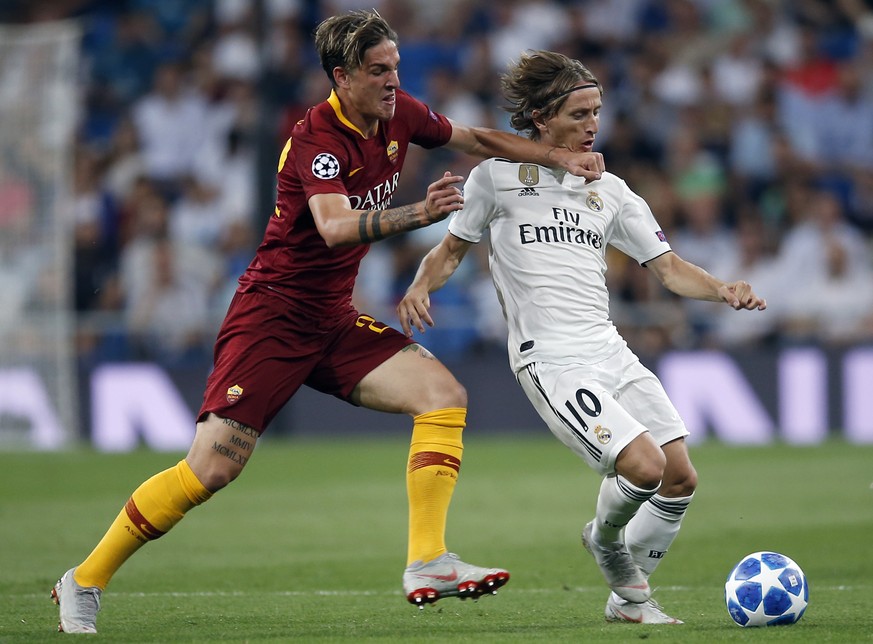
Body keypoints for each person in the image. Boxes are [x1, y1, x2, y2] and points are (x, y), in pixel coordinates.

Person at [50, 12, 606, 634]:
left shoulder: (398, 115)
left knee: (443, 395)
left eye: (395, 67)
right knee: (212, 469)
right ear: (341, 77)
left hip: (332, 319)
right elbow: (336, 226)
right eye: (378, 71)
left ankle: (427, 560)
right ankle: (84, 580)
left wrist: (557, 156)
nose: (393, 81)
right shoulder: (316, 138)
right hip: (271, 318)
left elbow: (475, 138)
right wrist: (421, 211)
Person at [397, 50, 767, 625]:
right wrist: (421, 286)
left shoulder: (612, 191)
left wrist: (724, 289)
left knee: (679, 477)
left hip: (610, 348)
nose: (593, 124)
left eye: (597, 111)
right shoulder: (495, 178)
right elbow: (451, 251)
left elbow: (667, 268)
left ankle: (626, 604)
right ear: (543, 119)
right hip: (551, 360)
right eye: (579, 113)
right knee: (642, 468)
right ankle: (610, 550)